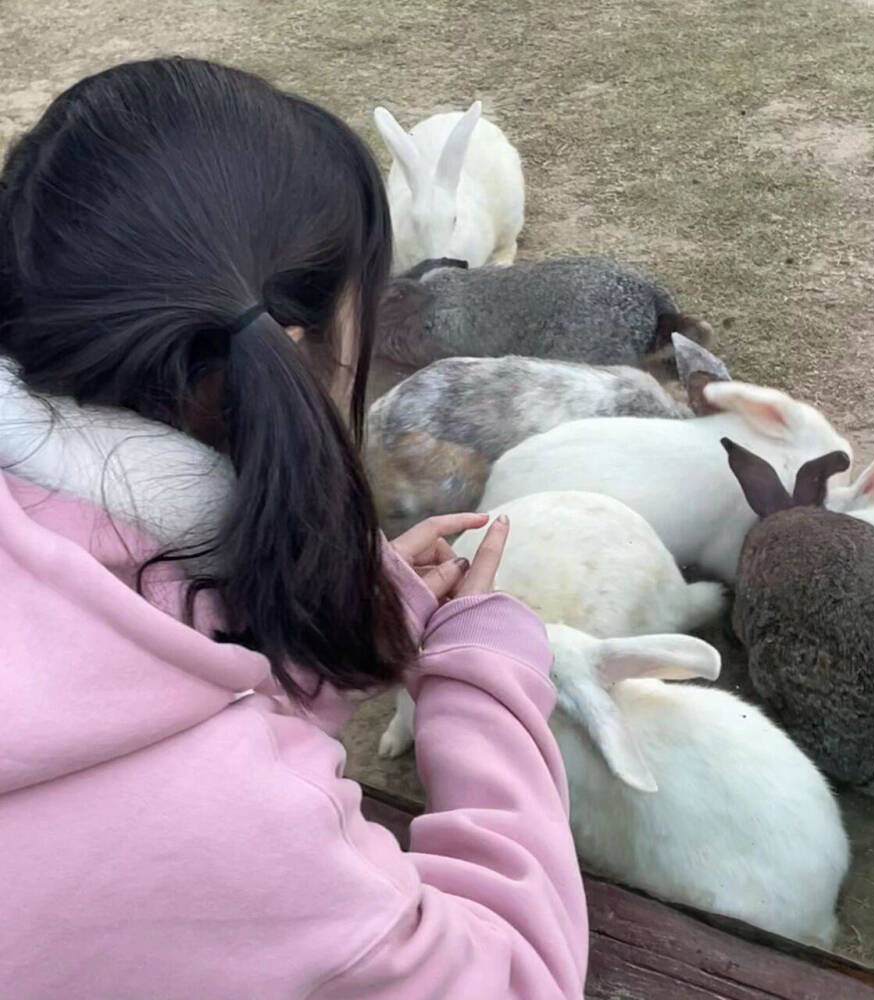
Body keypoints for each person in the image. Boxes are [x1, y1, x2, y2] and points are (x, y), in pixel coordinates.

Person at [0, 58, 588, 999]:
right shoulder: (248, 835)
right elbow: (515, 976)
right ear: (296, 341)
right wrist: (485, 685)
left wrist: (324, 640)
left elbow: (94, 686)